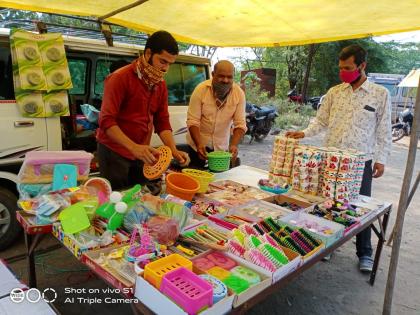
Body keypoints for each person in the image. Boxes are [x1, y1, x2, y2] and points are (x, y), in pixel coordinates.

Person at [286, 44, 392, 273]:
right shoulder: (334, 92)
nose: (342, 72)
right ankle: (329, 244)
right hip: (331, 160)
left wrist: (381, 159)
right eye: (341, 68)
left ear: (362, 66)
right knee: (328, 204)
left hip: (359, 163)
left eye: (348, 67)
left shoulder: (380, 94)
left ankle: (364, 253)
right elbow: (321, 121)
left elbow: (384, 130)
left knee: (360, 209)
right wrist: (304, 133)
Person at [97, 30, 188, 190]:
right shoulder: (119, 78)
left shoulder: (160, 84)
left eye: (169, 64)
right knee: (116, 199)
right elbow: (106, 121)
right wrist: (133, 147)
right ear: (148, 53)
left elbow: (162, 121)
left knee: (138, 197)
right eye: (162, 61)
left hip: (141, 153)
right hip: (114, 152)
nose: (165, 69)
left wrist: (174, 150)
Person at [185, 60, 247, 168]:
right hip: (197, 146)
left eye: (229, 77)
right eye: (221, 76)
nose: (225, 80)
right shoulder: (200, 90)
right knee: (197, 178)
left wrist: (233, 145)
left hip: (221, 149)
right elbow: (193, 121)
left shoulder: (239, 94)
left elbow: (240, 124)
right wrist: (199, 145)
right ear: (213, 75)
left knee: (219, 180)